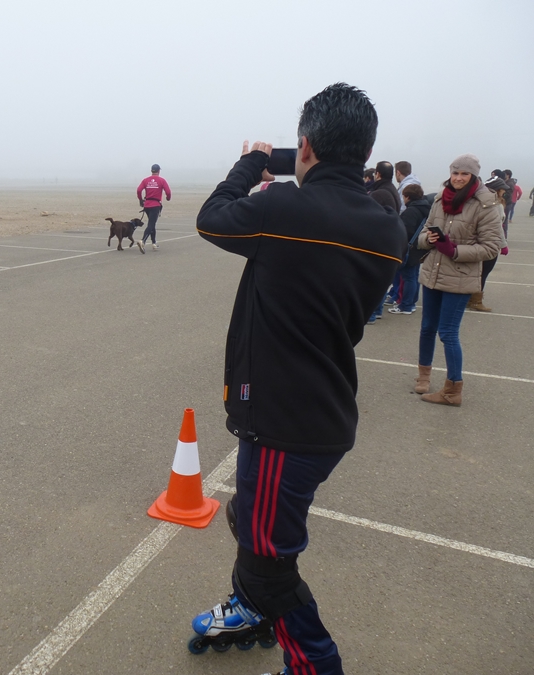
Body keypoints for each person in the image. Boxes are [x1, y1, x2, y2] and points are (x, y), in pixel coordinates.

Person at [191, 83, 405, 675]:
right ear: (363, 152)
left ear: (304, 145)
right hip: (322, 416)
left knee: (267, 560)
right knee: (251, 520)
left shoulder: (284, 207)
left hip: (284, 424)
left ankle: (313, 663)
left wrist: (253, 161)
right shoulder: (385, 226)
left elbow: (212, 218)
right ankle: (254, 607)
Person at [413, 154, 502, 405]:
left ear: (474, 176)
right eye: (455, 173)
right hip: (433, 272)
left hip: (460, 277)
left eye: (464, 174)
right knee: (427, 327)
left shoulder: (485, 204)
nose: (459, 178)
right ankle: (423, 376)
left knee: (448, 333)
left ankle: (453, 390)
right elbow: (424, 232)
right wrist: (427, 240)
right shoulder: (440, 199)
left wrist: (454, 251)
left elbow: (491, 247)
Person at [467, 176, 511, 312]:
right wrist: (503, 245)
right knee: (483, 273)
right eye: (503, 189)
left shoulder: (477, 202)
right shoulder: (494, 205)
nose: (504, 192)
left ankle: (469, 298)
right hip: (490, 243)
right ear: (497, 190)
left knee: (476, 272)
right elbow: (498, 227)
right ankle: (475, 301)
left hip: (477, 242)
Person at [387, 184, 431, 314]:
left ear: (408, 197)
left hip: (409, 247)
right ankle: (411, 302)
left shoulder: (411, 211)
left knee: (408, 277)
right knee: (413, 276)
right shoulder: (426, 208)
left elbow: (406, 231)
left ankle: (406, 304)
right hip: (418, 246)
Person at [367, 161, 401, 322]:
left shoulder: (379, 193)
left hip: (377, 241)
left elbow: (367, 217)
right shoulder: (392, 190)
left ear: (377, 174)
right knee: (381, 279)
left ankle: (372, 313)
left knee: (373, 281)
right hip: (390, 241)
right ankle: (378, 310)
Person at [136, 164, 171, 251]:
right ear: (159, 171)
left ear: (151, 171)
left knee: (152, 223)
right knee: (151, 224)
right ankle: (143, 241)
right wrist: (168, 198)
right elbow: (168, 192)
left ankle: (154, 242)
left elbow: (139, 190)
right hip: (155, 205)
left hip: (147, 204)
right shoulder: (162, 180)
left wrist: (140, 199)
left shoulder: (145, 180)